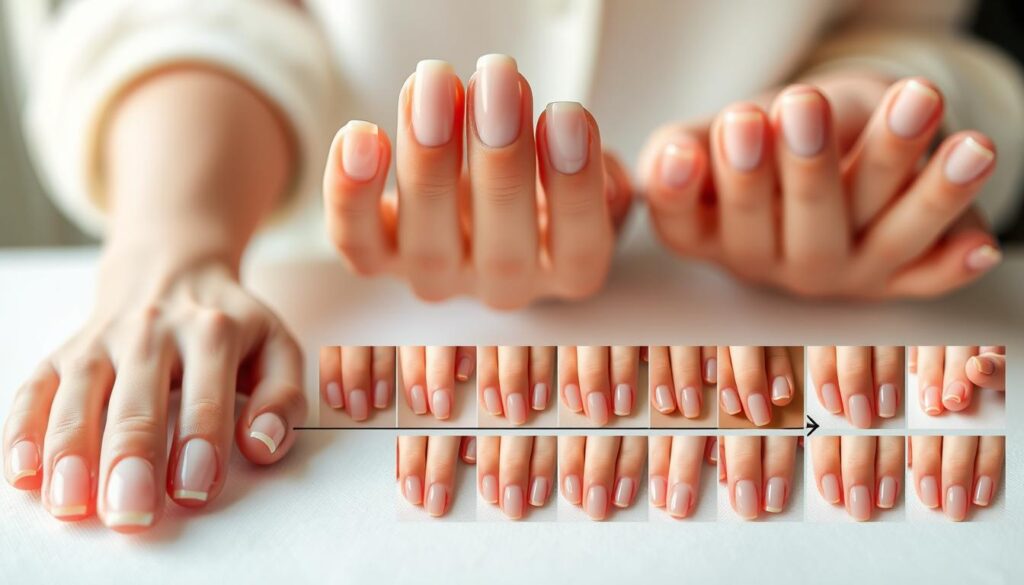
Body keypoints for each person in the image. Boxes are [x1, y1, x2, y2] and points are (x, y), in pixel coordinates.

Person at [3, 0, 1022, 531]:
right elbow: (193, 11)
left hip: (779, 297)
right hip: (307, 241)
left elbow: (917, 23)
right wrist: (176, 244)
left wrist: (883, 120)